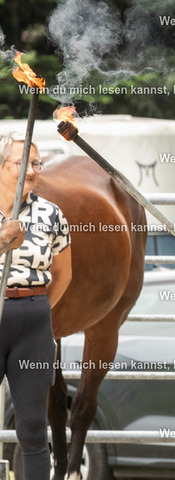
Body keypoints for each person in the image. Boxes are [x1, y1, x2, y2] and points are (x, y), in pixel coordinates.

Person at [0, 133, 72, 479]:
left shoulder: (51, 213)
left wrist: (39, 308)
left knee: (32, 426)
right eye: (22, 163)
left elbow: (64, 273)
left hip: (33, 319)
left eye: (36, 163)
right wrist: (2, 240)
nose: (31, 170)